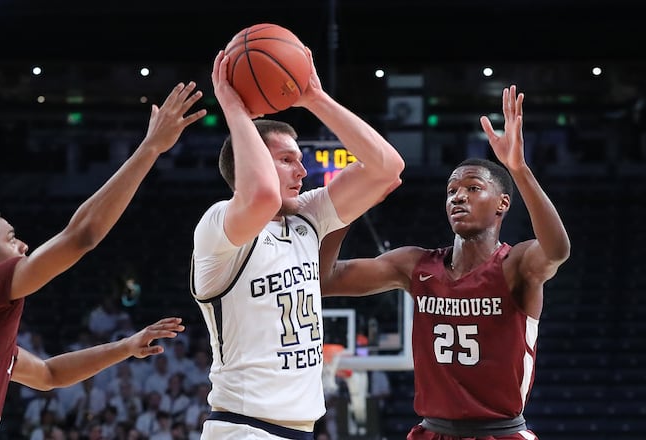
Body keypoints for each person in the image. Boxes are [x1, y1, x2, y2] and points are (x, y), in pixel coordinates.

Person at [0, 81, 206, 440]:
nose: (23, 245)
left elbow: (50, 375)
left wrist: (126, 346)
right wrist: (150, 148)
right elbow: (81, 236)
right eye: (11, 238)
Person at [319, 85, 571, 440]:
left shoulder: (516, 265)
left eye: (472, 188)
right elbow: (325, 280)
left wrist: (518, 169)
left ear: (502, 204)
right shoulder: (414, 264)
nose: (458, 197)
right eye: (452, 190)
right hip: (431, 432)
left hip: (499, 432)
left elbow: (558, 250)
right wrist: (343, 210)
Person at [189, 48, 405, 439]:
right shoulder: (217, 224)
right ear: (248, 162)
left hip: (299, 429)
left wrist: (314, 98)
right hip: (244, 428)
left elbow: (388, 168)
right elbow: (262, 198)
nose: (303, 171)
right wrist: (235, 110)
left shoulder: (306, 216)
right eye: (287, 159)